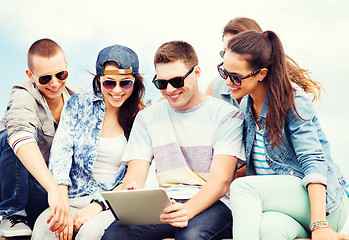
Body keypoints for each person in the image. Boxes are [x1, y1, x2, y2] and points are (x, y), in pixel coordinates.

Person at [102, 40, 245, 240]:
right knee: (115, 236)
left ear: (196, 73)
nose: (169, 89)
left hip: (215, 203)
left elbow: (221, 181)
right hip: (165, 202)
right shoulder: (147, 117)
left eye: (177, 81)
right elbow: (135, 176)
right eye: (161, 83)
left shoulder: (227, 116)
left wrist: (189, 209)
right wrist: (132, 189)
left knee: (190, 237)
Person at [220, 30, 349, 239]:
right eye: (224, 72)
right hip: (283, 209)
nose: (227, 82)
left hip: (323, 207)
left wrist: (319, 225)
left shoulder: (293, 101)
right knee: (269, 229)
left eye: (235, 77)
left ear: (261, 74)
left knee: (242, 188)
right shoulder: (245, 105)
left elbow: (313, 161)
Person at [31, 44, 145, 240]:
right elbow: (61, 155)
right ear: (99, 79)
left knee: (90, 233)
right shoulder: (78, 105)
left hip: (112, 204)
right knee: (45, 228)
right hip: (72, 198)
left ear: (134, 82)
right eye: (110, 83)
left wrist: (97, 205)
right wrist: (62, 206)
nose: (117, 90)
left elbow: (132, 179)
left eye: (125, 83)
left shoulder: (141, 119)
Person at [0, 39, 85, 238]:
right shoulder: (23, 94)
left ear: (66, 67)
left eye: (61, 74)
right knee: (10, 137)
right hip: (25, 185)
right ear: (30, 76)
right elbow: (20, 134)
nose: (55, 83)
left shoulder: (80, 96)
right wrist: (53, 189)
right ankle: (12, 213)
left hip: (52, 192)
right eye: (45, 78)